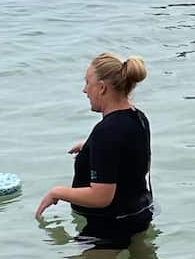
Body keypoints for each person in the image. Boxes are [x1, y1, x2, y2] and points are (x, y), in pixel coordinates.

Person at [35, 54, 153, 247]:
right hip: (140, 212)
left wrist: (58, 192)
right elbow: (130, 155)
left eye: (87, 83)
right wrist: (90, 147)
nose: (84, 90)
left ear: (102, 87)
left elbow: (101, 197)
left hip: (108, 225)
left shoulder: (106, 132)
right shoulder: (138, 117)